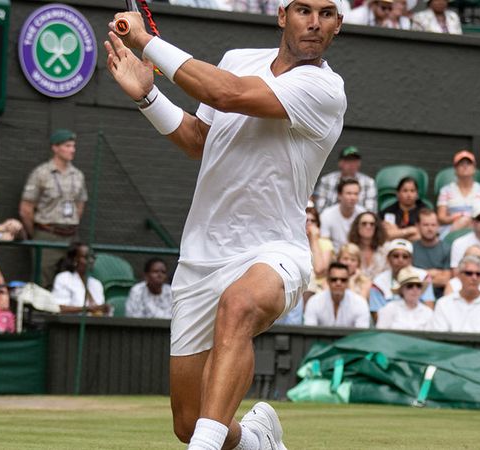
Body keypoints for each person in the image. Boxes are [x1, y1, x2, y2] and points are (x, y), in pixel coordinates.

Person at [104, 1, 350, 443]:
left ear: (338, 26)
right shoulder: (238, 59)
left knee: (239, 305)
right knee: (187, 421)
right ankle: (257, 440)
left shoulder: (324, 88)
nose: (314, 22)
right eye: (303, 9)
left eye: (327, 13)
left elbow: (228, 93)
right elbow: (199, 139)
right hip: (201, 258)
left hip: (274, 251)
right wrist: (147, 96)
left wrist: (146, 41)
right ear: (282, 16)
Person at [19, 129, 88, 286]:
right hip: (47, 233)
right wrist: (35, 234)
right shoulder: (41, 173)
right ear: (55, 148)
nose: (72, 150)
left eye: (74, 146)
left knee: (72, 279)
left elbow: (80, 205)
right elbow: (26, 209)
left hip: (71, 235)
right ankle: (40, 312)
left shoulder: (78, 175)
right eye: (68, 146)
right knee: (42, 280)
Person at [430, 255, 480, 333]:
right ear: (459, 276)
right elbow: (440, 338)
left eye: (478, 274)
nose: (474, 277)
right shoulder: (443, 304)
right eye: (469, 273)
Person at [369, 239, 435, 315]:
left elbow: (429, 309)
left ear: (411, 259)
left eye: (405, 257)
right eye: (396, 256)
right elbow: (377, 316)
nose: (400, 260)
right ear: (388, 259)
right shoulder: (378, 282)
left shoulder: (423, 277)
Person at [436, 150, 480, 234]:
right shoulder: (445, 190)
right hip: (452, 228)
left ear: (474, 168)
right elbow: (441, 217)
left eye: (468, 164)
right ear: (455, 169)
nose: (465, 166)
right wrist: (458, 219)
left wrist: (471, 219)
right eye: (461, 164)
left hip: (478, 227)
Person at [303, 262, 370, 328]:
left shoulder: (360, 303)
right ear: (328, 281)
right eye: (334, 279)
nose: (338, 283)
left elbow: (362, 336)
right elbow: (309, 331)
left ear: (348, 282)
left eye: (343, 280)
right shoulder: (314, 302)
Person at [51, 242, 109, 315]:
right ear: (75, 259)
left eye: (93, 257)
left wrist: (104, 309)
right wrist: (87, 309)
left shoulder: (96, 283)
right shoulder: (63, 278)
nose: (91, 261)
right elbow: (58, 308)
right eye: (86, 257)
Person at [313, 146, 376, 212]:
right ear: (340, 163)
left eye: (355, 161)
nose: (352, 164)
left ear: (359, 163)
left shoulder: (369, 182)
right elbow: (319, 209)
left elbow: (371, 211)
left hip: (359, 220)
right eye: (348, 160)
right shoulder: (326, 180)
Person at [411, 208, 451, 296]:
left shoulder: (446, 249)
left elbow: (445, 280)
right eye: (425, 225)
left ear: (438, 226)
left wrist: (421, 276)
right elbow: (409, 279)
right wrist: (431, 273)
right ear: (417, 226)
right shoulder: (411, 249)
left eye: (433, 225)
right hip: (415, 296)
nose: (430, 228)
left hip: (440, 296)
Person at [320, 178, 365, 251]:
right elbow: (324, 242)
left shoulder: (363, 214)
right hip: (333, 257)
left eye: (356, 194)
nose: (353, 197)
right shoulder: (327, 215)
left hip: (357, 255)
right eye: (349, 193)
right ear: (339, 195)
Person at [304, 206, 335, 300]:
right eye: (306, 220)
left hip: (318, 289)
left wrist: (314, 239)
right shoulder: (294, 244)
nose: (309, 224)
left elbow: (319, 270)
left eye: (312, 221)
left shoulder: (326, 243)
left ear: (318, 225)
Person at [347, 211, 387, 279]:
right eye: (364, 223)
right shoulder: (349, 251)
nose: (368, 227)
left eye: (372, 224)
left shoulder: (385, 251)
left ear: (376, 228)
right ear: (357, 227)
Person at [380, 177, 422, 241]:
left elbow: (422, 236)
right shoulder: (388, 211)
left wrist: (396, 233)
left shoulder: (423, 212)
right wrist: (409, 231)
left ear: (417, 194)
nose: (409, 195)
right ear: (398, 193)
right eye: (405, 191)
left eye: (412, 191)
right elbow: (387, 235)